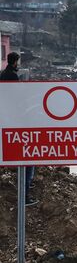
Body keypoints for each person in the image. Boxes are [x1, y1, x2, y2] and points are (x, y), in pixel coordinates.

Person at [1, 52, 37, 206]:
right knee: (28, 160)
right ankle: (25, 193)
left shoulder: (3, 74)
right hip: (14, 118)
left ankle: (27, 187)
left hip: (7, 117)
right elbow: (16, 98)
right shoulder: (12, 77)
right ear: (15, 62)